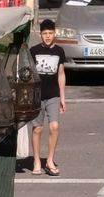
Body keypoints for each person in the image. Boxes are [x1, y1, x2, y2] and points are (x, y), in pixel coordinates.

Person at [29, 21, 67, 176]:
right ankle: (37, 161)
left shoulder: (59, 52)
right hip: (37, 96)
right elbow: (29, 74)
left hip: (53, 95)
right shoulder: (34, 51)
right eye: (45, 33)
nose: (48, 36)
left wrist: (63, 97)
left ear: (55, 34)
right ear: (40, 35)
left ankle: (50, 160)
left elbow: (61, 74)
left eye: (50, 33)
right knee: (37, 129)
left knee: (54, 127)